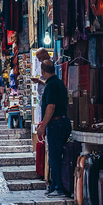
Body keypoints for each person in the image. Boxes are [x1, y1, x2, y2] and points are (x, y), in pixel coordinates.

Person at [35, 60, 72, 197]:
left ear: (43, 71)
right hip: (63, 122)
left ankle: (58, 187)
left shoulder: (51, 86)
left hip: (56, 124)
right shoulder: (59, 83)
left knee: (55, 156)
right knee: (59, 155)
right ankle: (56, 184)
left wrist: (43, 126)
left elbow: (51, 107)